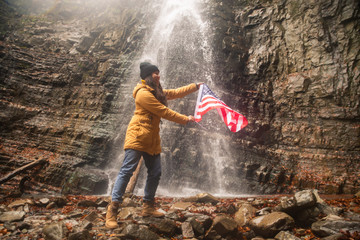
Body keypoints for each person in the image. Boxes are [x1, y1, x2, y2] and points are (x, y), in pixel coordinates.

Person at [106, 62, 202, 228]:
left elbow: (175, 92)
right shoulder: (143, 93)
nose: (158, 75)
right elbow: (163, 111)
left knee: (155, 172)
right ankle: (112, 211)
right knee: (127, 171)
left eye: (158, 72)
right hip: (137, 136)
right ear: (147, 76)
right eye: (155, 73)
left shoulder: (156, 92)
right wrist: (185, 119)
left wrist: (195, 86)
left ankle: (148, 207)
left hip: (152, 139)